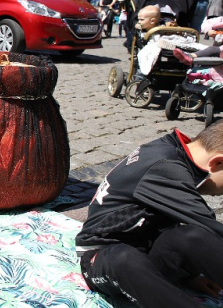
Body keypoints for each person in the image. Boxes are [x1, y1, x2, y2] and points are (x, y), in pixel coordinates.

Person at [76, 122, 223, 307]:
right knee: (125, 259)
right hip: (104, 258)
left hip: (148, 248)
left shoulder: (173, 150)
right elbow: (211, 225)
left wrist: (188, 276)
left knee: (192, 235)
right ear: (218, 162)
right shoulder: (165, 168)